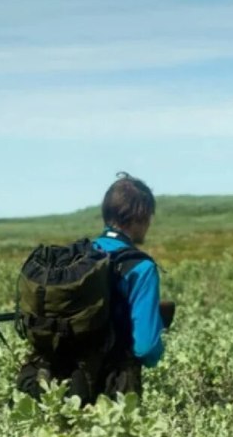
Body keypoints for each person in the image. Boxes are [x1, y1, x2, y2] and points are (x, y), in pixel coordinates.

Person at [16, 172, 166, 403]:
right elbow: (146, 348)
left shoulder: (78, 259)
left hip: (58, 381)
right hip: (111, 388)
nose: (149, 224)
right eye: (149, 217)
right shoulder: (141, 267)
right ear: (139, 216)